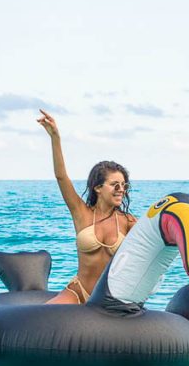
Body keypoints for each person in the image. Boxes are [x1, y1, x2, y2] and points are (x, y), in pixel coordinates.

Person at [37, 109, 137, 304]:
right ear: (98, 187)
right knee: (44, 315)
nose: (121, 190)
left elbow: (148, 249)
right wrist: (55, 137)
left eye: (124, 185)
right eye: (115, 185)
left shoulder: (128, 221)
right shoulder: (80, 212)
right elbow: (61, 177)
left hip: (112, 299)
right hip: (78, 291)